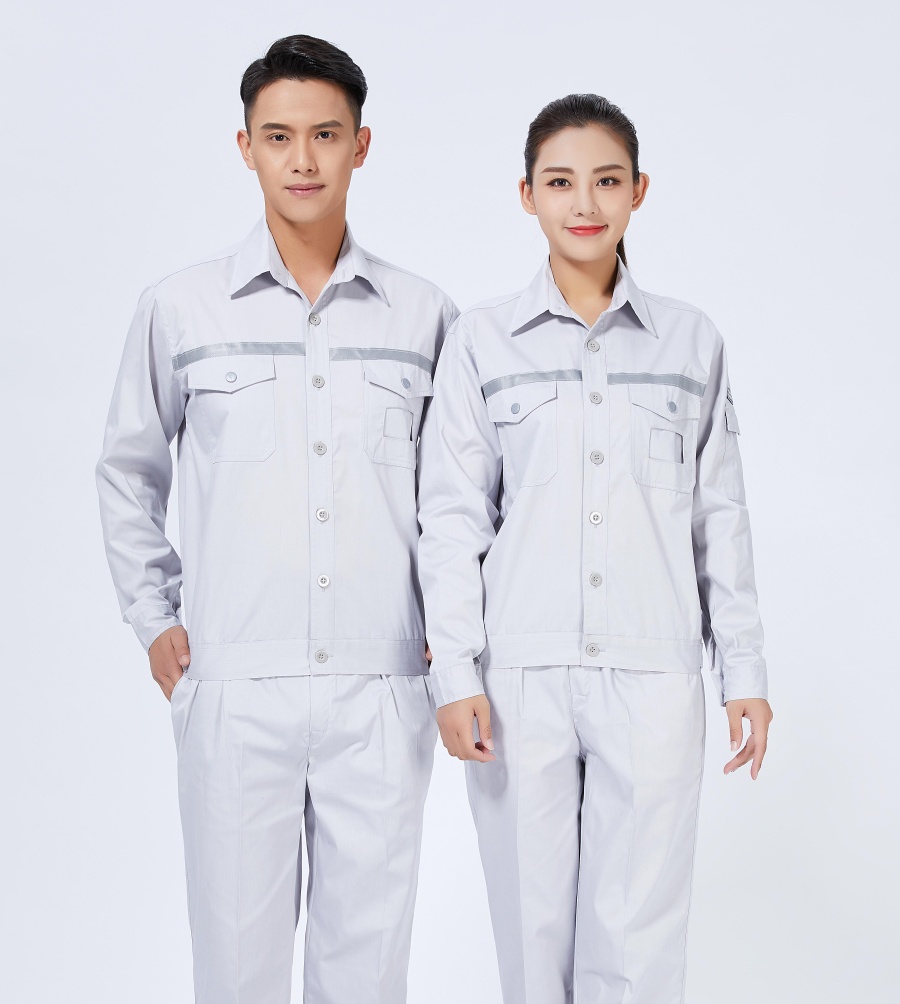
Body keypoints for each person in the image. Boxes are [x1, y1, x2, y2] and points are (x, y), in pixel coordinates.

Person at [96, 34, 455, 1004]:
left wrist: (455, 630)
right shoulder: (181, 309)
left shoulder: (424, 316)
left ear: (361, 145)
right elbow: (127, 471)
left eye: (326, 135)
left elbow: (462, 498)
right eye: (280, 136)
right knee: (235, 973)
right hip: (234, 688)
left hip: (383, 688)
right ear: (245, 146)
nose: (303, 159)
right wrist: (154, 616)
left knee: (366, 977)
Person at [417, 93, 773, 1004]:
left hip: (654, 677)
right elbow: (452, 518)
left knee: (638, 943)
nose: (585, 203)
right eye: (561, 182)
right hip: (519, 679)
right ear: (527, 195)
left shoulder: (692, 342)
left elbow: (720, 515)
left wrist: (744, 672)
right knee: (531, 937)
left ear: (639, 191)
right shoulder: (481, 342)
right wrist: (454, 672)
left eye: (607, 181)